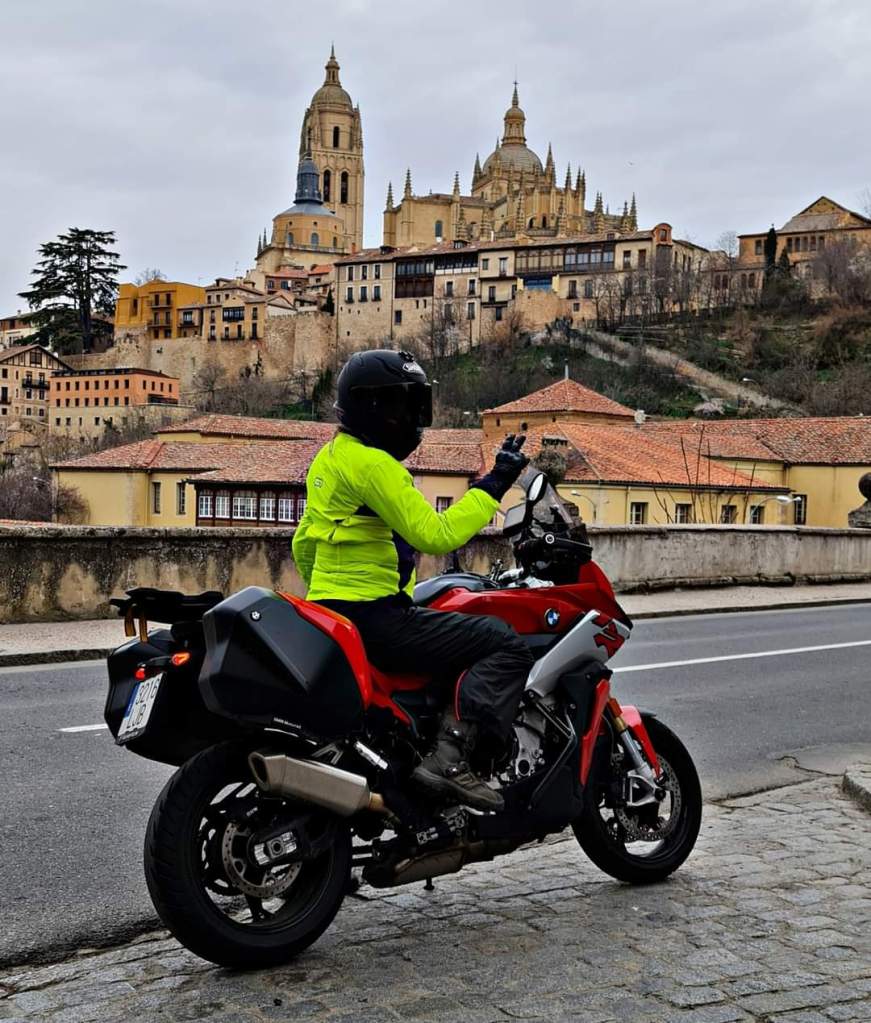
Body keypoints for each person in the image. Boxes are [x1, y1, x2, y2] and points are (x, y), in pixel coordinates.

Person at [292, 349, 534, 811]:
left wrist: (331, 595)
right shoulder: (375, 465)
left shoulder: (331, 458)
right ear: (375, 408)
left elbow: (304, 543)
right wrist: (497, 482)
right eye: (405, 406)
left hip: (332, 609)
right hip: (377, 616)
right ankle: (450, 759)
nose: (412, 419)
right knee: (505, 643)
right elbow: (436, 533)